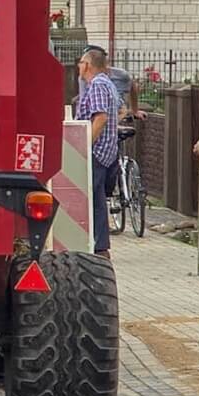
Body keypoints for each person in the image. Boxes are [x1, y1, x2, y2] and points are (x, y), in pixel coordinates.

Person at [74, 46, 122, 258]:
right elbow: (120, 110)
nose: (78, 67)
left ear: (87, 65)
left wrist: (85, 144)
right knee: (97, 198)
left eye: (80, 63)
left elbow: (100, 118)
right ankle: (100, 246)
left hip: (96, 152)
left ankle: (99, 246)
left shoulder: (97, 86)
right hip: (107, 151)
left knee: (92, 199)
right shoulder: (109, 85)